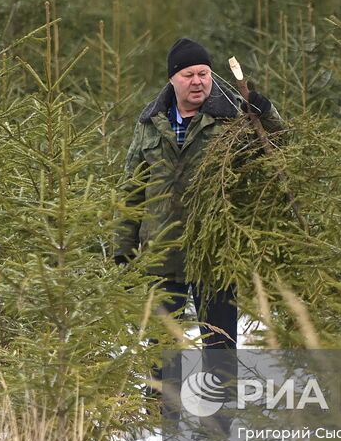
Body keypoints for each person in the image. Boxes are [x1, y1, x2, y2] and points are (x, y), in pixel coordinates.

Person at [112, 37, 284, 351]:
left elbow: (279, 151)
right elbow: (132, 187)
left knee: (220, 345)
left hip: (214, 251)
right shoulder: (150, 123)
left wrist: (267, 114)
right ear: (172, 80)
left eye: (203, 73)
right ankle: (163, 402)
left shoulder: (232, 117)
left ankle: (223, 400)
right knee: (164, 346)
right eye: (188, 75)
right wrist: (123, 245)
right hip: (161, 251)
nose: (197, 82)